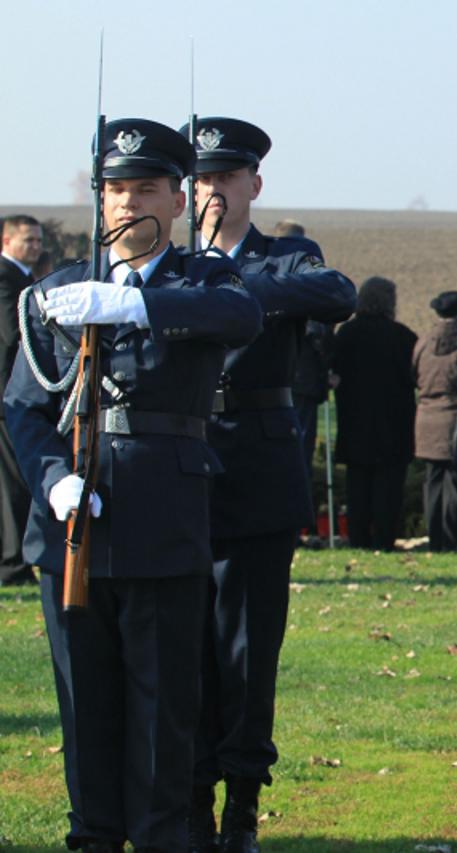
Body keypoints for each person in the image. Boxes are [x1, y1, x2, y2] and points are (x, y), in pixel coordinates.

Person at [4, 118, 262, 853]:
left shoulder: (202, 281)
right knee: (85, 703)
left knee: (161, 707)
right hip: (72, 528)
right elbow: (24, 405)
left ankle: (158, 835)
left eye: (144, 188)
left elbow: (240, 316)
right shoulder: (58, 291)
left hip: (162, 519)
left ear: (177, 201)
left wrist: (135, 304)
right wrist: (52, 480)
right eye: (114, 190)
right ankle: (93, 834)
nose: (126, 204)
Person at [181, 117, 356, 852]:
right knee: (181, 649)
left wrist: (223, 280)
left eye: (227, 177)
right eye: (202, 179)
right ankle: (186, 799)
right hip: (178, 469)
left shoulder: (286, 258)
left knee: (248, 647)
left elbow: (334, 293)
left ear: (254, 184)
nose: (214, 190)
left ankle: (242, 804)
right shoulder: (164, 260)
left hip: (254, 467)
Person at [333, 276, 417, 550]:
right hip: (394, 423)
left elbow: (335, 371)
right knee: (388, 490)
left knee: (358, 488)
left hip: (355, 421)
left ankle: (358, 539)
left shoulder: (346, 334)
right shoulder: (403, 337)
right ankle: (384, 540)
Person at [413, 290, 457, 554]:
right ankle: (453, 541)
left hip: (426, 418)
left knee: (433, 481)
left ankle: (435, 539)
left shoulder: (423, 343)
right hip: (455, 419)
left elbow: (414, 375)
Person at [0, 214, 42, 586]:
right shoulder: (4, 277)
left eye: (38, 240)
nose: (35, 247)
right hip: (6, 394)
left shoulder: (22, 279)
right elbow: (13, 334)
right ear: (6, 241)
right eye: (27, 240)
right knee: (12, 482)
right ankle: (12, 565)